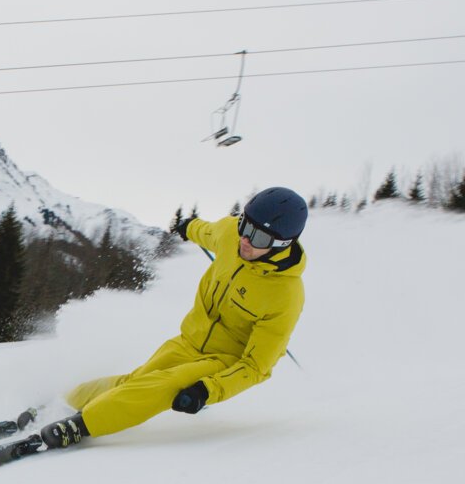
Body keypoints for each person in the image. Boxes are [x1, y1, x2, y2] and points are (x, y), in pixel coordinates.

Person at [40, 186, 308, 449]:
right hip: (189, 340)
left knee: (163, 385)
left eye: (258, 237)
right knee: (135, 380)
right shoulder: (231, 234)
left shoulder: (285, 295)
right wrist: (188, 226)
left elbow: (255, 367)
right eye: (245, 226)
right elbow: (206, 231)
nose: (245, 240)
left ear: (282, 244)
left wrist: (208, 390)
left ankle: (82, 426)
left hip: (224, 359)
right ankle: (64, 400)